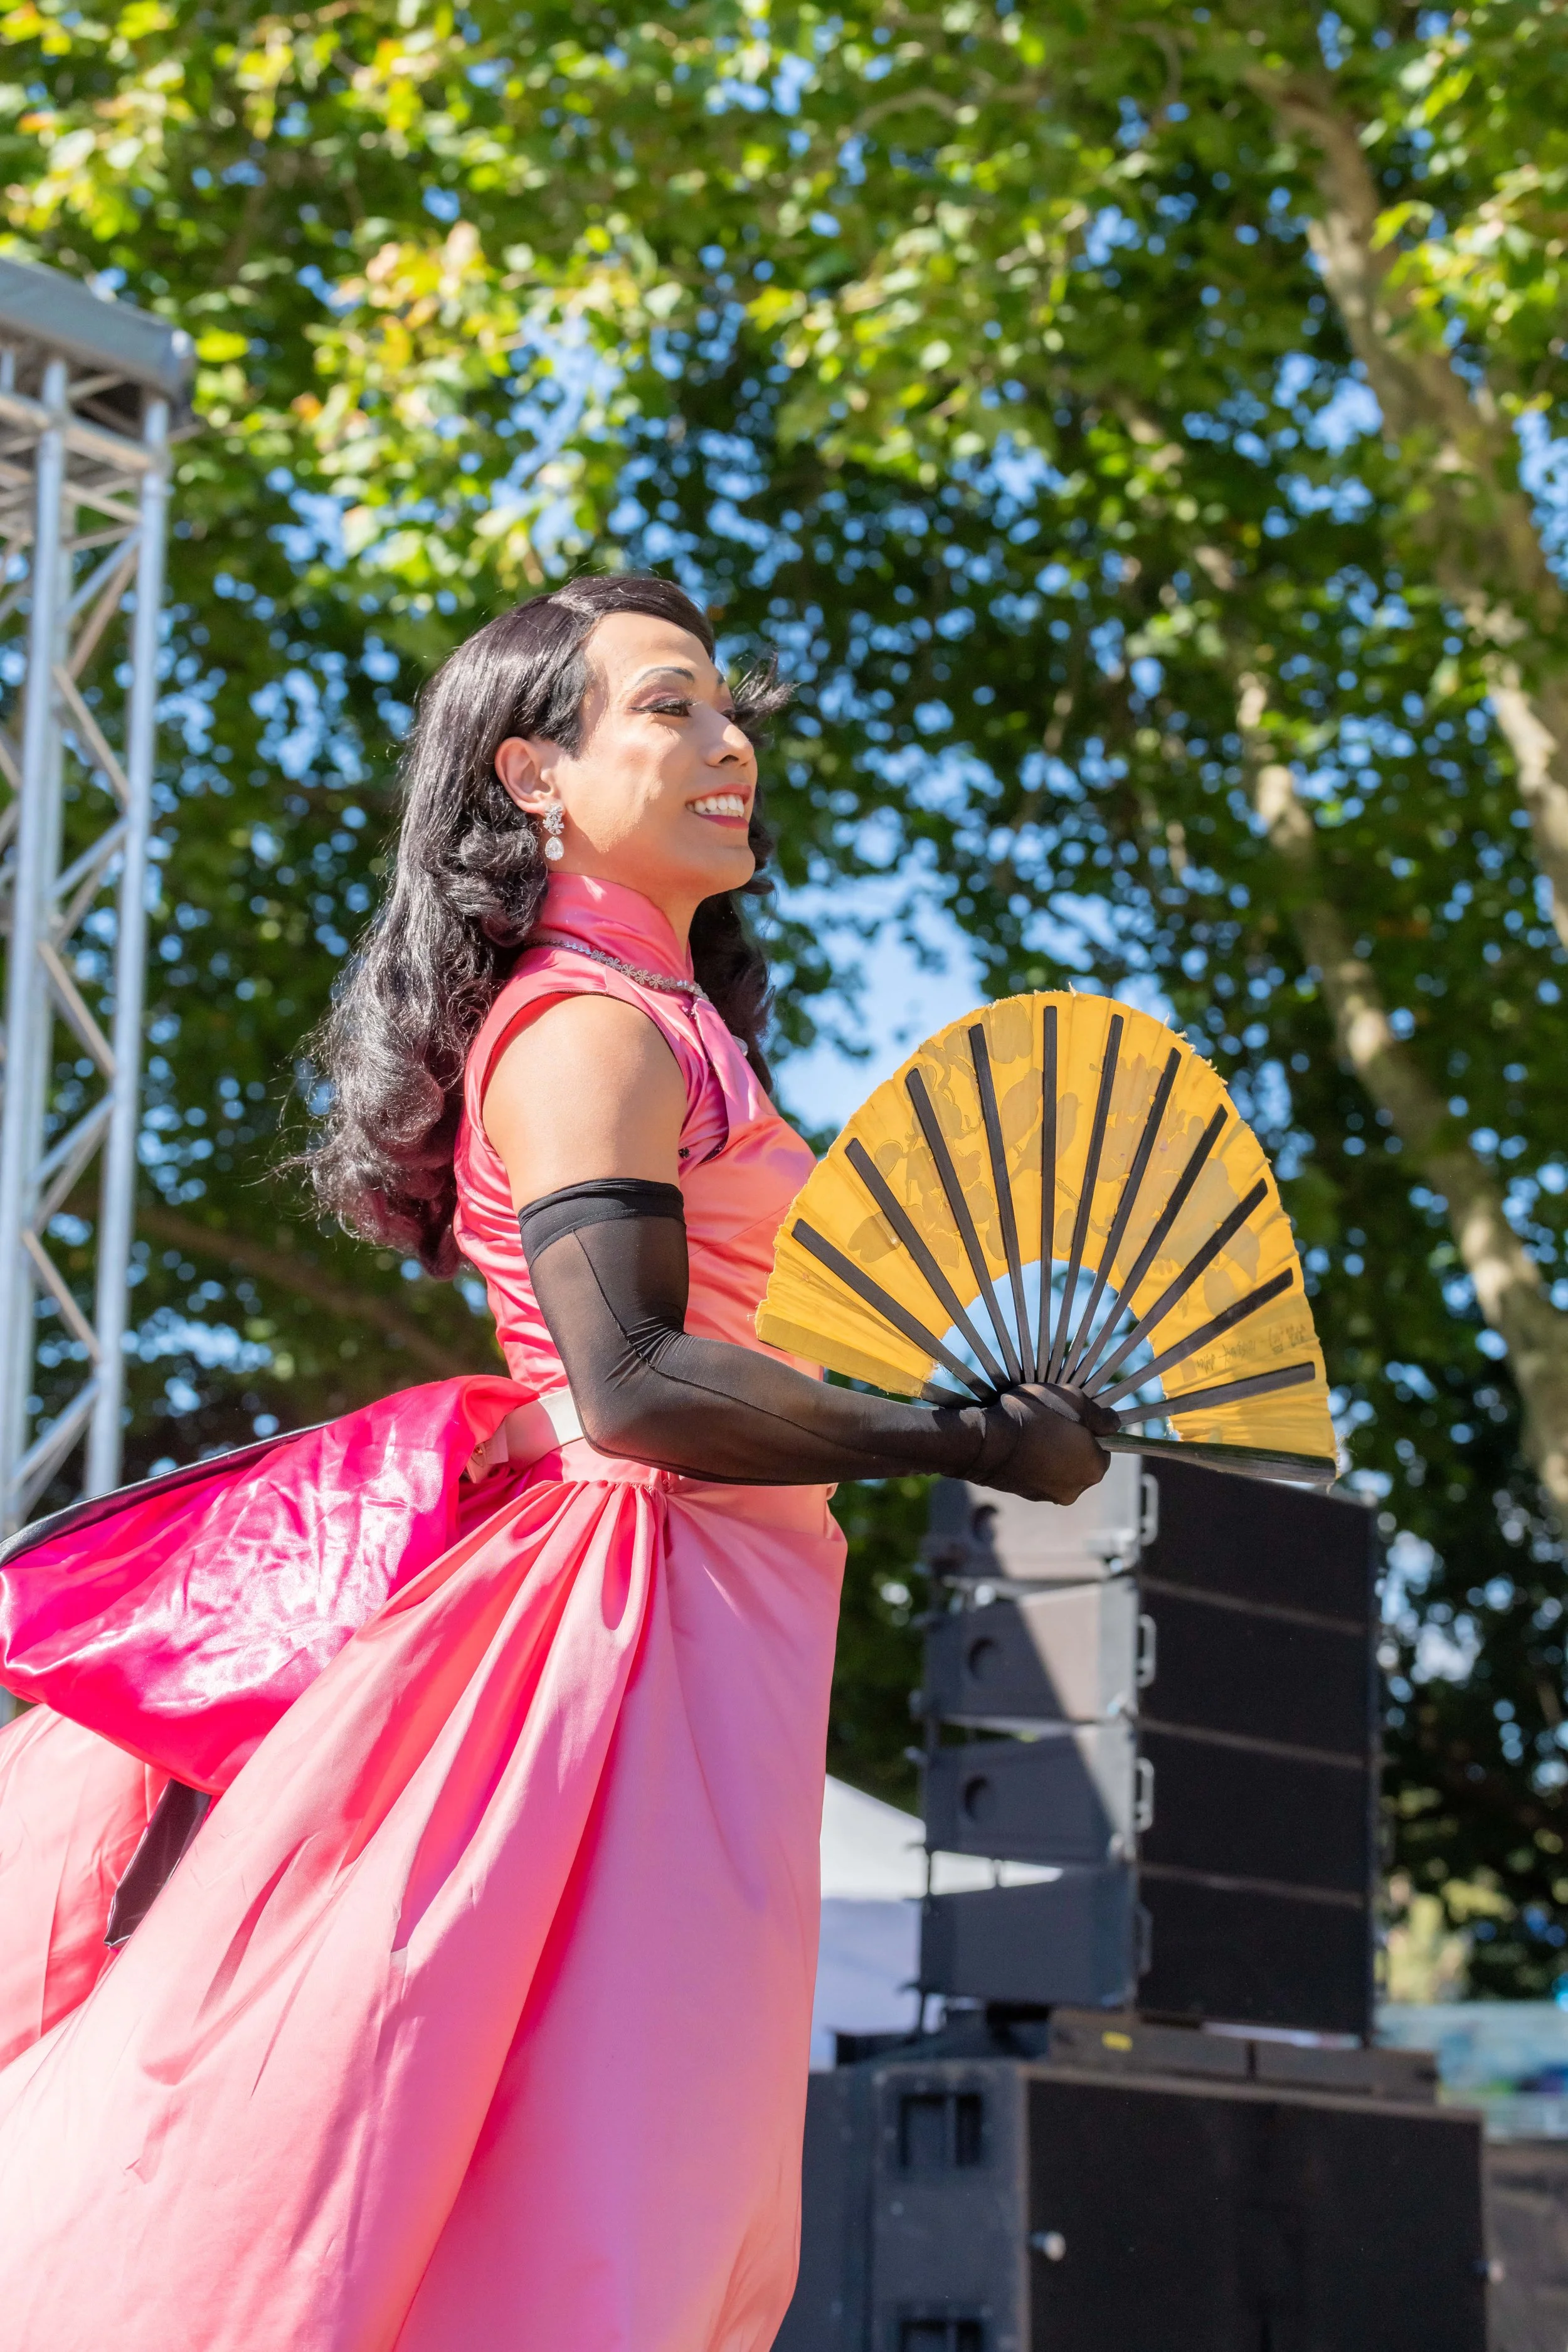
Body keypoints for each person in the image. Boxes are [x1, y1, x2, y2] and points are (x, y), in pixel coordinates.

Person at [0, 574, 1108, 2350]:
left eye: (728, 707)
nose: (728, 740)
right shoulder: (580, 1019)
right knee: (589, 2178)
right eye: (668, 706)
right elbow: (640, 1380)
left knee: (621, 2175)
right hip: (611, 1617)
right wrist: (970, 1441)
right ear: (532, 774)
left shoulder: (665, 1023)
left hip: (700, 1599)